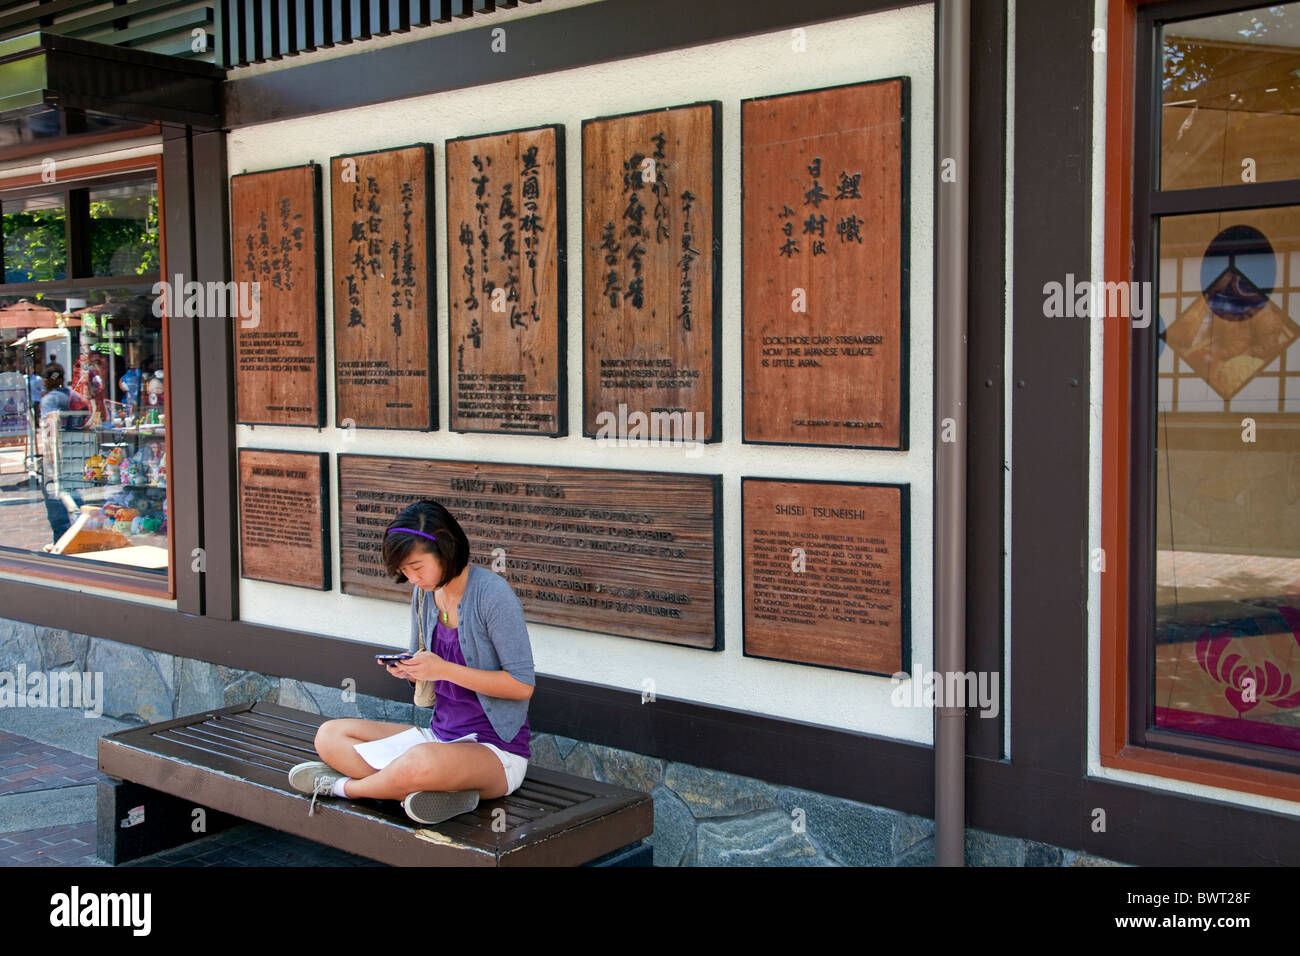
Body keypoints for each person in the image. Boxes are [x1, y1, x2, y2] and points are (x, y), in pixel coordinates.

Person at [288, 499, 535, 824]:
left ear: (446, 549)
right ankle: (430, 791)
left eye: (417, 567)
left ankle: (346, 787)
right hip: (439, 736)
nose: (412, 578)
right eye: (404, 570)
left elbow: (521, 687)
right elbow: (427, 670)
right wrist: (410, 670)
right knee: (330, 736)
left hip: (495, 751)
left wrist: (443, 669)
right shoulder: (425, 595)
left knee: (420, 761)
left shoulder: (492, 596)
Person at [37, 363, 86, 544]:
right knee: (71, 487)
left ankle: (64, 537)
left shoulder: (49, 400)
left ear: (47, 380)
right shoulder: (74, 396)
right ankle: (82, 521)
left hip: (57, 453)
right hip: (76, 449)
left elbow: (51, 428)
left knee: (55, 496)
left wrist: (49, 456)